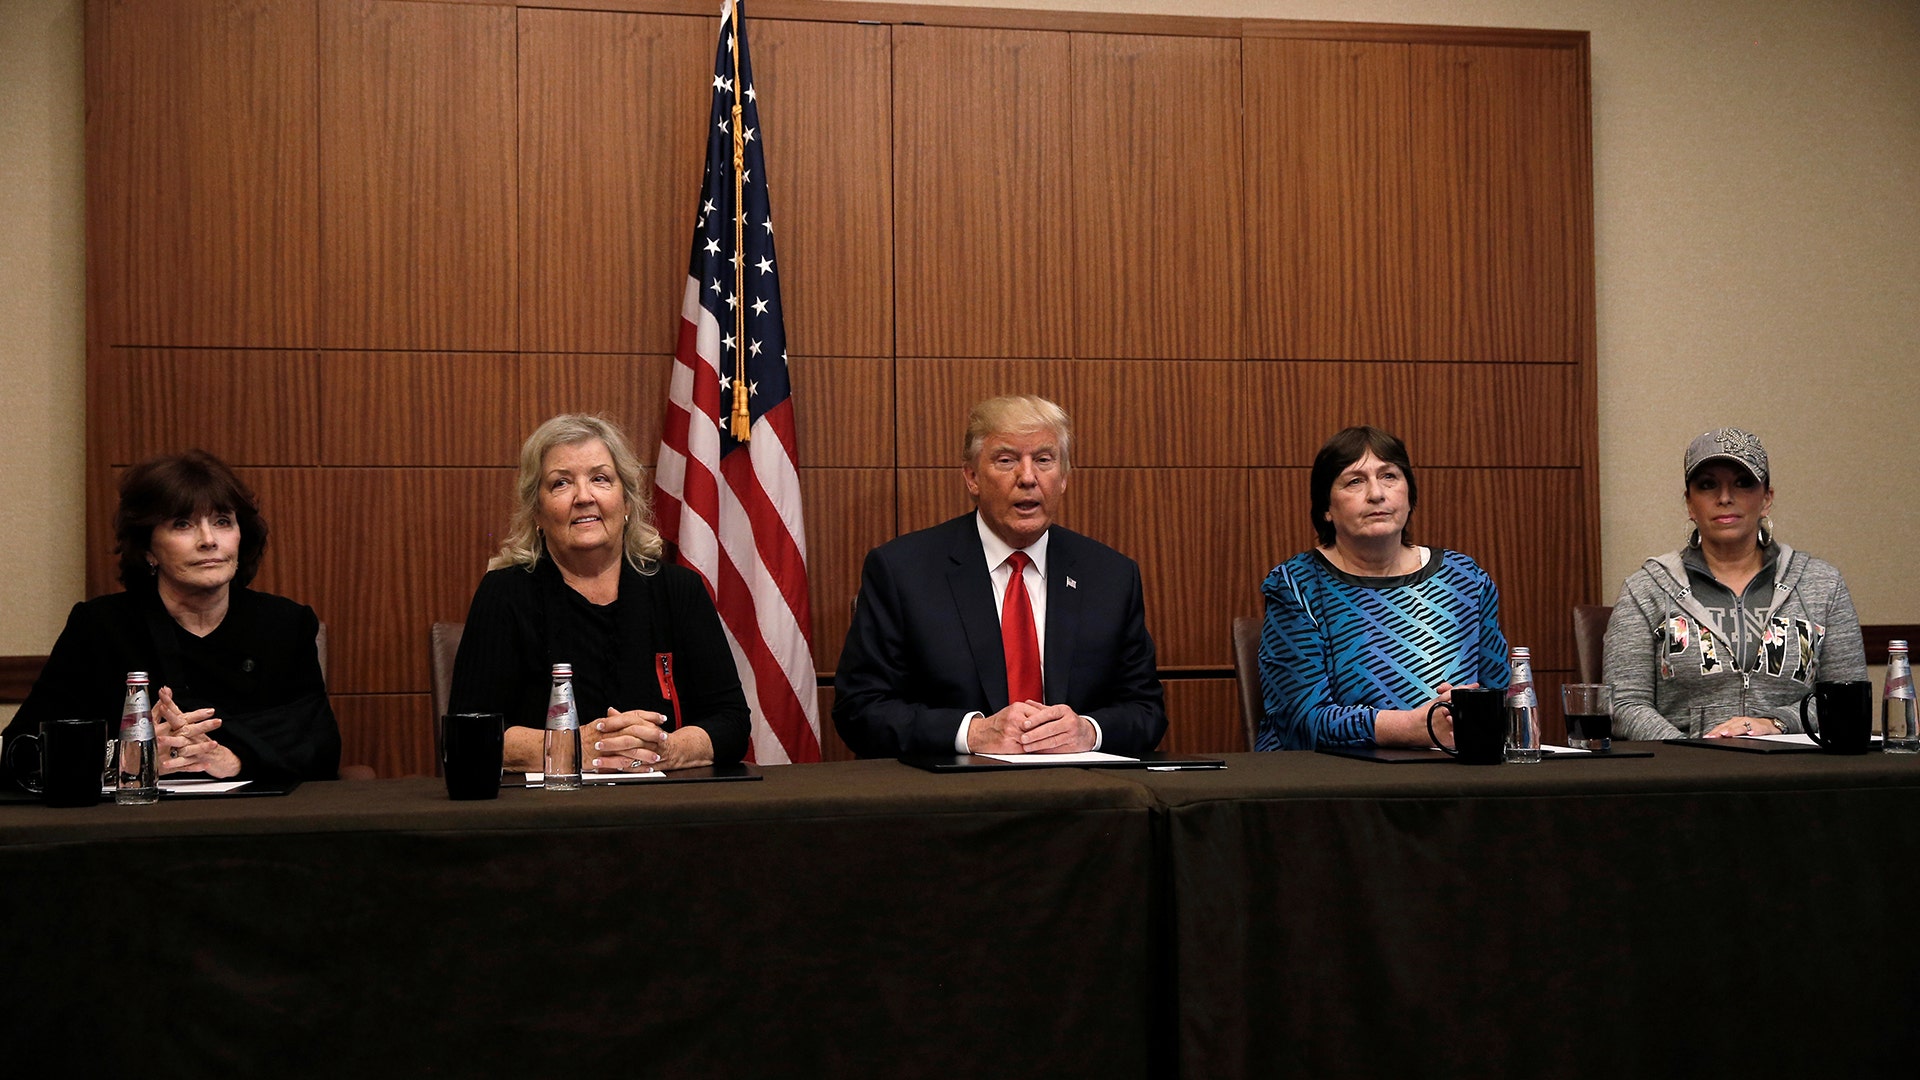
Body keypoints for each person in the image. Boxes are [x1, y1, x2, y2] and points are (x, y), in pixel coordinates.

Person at [833, 395, 1166, 757]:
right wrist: (971, 733)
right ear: (972, 477)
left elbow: (1146, 710)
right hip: (956, 801)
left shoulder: (1111, 575)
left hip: (1080, 796)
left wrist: (1090, 731)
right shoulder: (902, 571)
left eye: (1043, 460)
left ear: (1064, 477)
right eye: (1006, 460)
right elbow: (859, 709)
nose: (1027, 477)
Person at [3, 451, 340, 786]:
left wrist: (235, 758)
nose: (208, 540)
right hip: (137, 824)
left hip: (255, 822)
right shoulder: (100, 627)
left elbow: (320, 746)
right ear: (148, 549)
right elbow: (22, 751)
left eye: (223, 521)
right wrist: (125, 756)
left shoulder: (286, 624)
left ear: (241, 536)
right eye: (183, 524)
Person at [449, 414, 749, 772]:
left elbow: (732, 722)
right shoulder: (504, 594)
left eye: (600, 479)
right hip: (546, 813)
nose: (584, 497)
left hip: (664, 809)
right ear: (537, 513)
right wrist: (573, 747)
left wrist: (664, 749)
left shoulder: (679, 591)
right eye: (561, 483)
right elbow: (466, 735)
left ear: (626, 503)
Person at [1603, 427, 1866, 739]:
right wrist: (1692, 755)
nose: (1725, 498)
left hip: (1795, 774)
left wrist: (1776, 723)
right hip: (1683, 774)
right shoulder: (1645, 590)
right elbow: (1623, 704)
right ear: (1690, 504)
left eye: (1742, 484)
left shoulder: (1823, 585)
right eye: (1708, 485)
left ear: (1766, 499)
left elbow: (1848, 701)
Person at [1258, 426, 1508, 751]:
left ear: (1409, 494)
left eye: (1389, 476)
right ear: (1326, 508)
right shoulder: (1296, 584)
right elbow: (1298, 720)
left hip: (1453, 775)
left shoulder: (1465, 579)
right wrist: (1410, 727)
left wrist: (1471, 716)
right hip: (1334, 782)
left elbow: (1500, 698)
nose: (1376, 493)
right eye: (1355, 481)